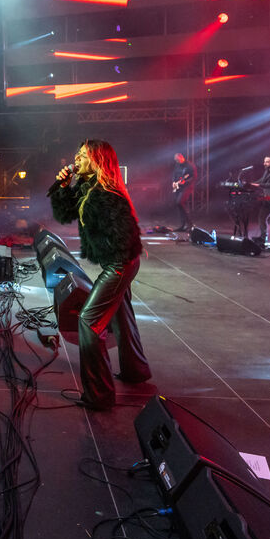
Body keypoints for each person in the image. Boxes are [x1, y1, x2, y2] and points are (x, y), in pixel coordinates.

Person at [51, 139, 151, 410]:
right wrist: (63, 185)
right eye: (77, 153)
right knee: (121, 315)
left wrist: (117, 265)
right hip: (121, 262)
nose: (76, 158)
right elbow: (64, 213)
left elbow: (126, 233)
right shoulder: (89, 187)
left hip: (119, 264)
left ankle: (99, 395)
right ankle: (136, 371)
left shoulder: (106, 193)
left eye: (82, 155)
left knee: (88, 320)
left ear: (97, 161)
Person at [171, 153, 196, 231]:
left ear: (181, 158)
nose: (177, 162)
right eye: (176, 160)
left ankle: (190, 224)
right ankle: (183, 225)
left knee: (180, 202)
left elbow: (193, 177)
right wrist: (174, 182)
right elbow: (174, 174)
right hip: (178, 187)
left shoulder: (190, 166)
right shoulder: (177, 165)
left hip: (187, 187)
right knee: (179, 205)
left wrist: (185, 182)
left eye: (177, 160)